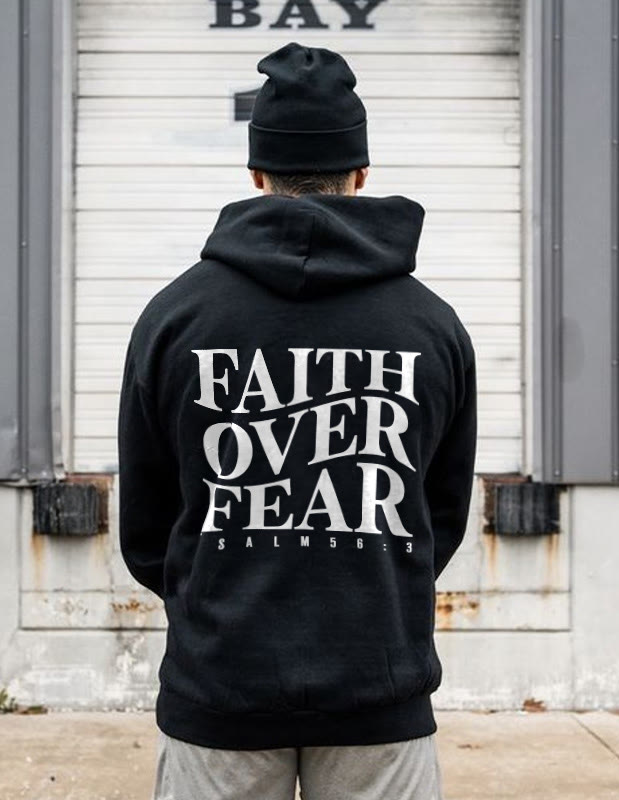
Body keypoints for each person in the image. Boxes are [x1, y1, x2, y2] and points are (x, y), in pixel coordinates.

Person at [117, 41, 478, 800]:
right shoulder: (432, 327)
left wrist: (219, 587)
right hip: (379, 687)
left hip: (219, 688)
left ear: (256, 174)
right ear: (362, 173)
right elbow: (438, 517)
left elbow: (148, 529)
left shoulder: (175, 317)